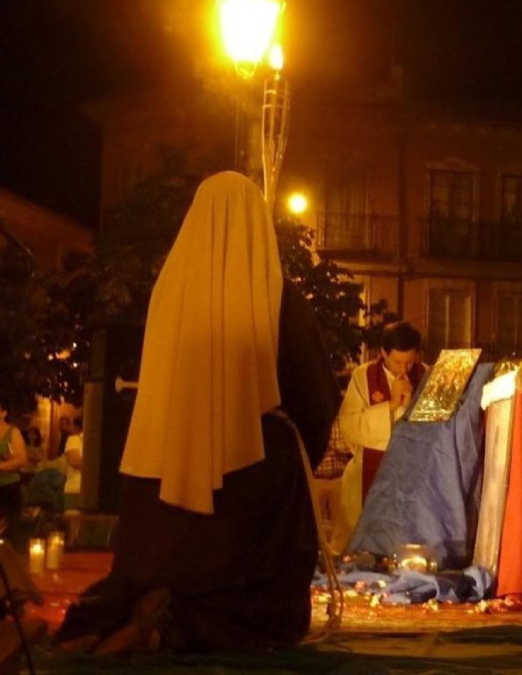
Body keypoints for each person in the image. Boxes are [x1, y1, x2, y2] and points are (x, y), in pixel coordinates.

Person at [57, 172, 339, 654]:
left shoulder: (170, 295)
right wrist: (296, 461)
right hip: (255, 469)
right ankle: (168, 627)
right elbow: (317, 397)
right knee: (257, 604)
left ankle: (120, 616)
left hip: (162, 473)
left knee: (149, 568)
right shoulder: (278, 298)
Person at [336, 321, 427, 550]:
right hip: (369, 470)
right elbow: (349, 426)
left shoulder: (427, 374)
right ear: (383, 353)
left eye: (409, 361)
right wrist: (391, 404)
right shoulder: (363, 376)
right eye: (397, 362)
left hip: (413, 474)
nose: (404, 369)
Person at [0, 399, 28, 533]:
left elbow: (21, 459)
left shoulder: (12, 432)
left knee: (8, 528)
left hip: (8, 486)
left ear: (3, 413)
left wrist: (2, 466)